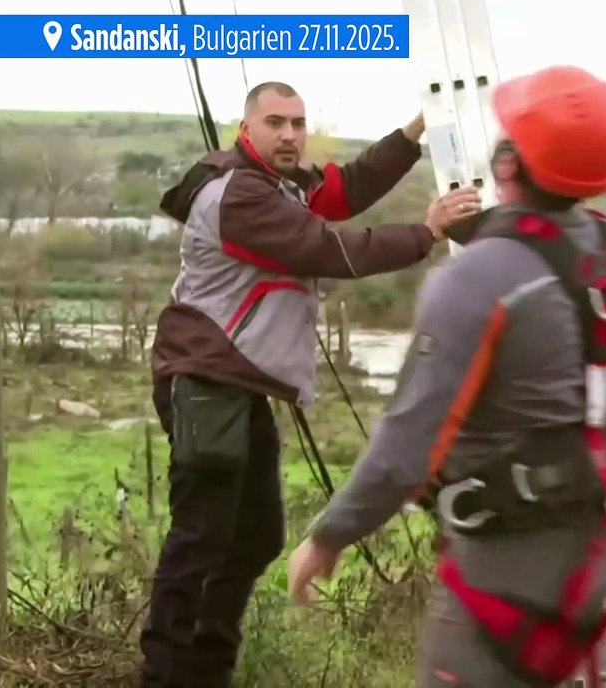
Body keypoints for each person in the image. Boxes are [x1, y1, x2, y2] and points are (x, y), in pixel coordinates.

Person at [286, 65, 606, 687]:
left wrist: (330, 536)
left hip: (506, 566)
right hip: (595, 552)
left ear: (508, 165)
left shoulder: (480, 277)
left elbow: (409, 443)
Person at [141, 80, 480, 688]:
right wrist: (426, 232)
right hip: (204, 379)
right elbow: (327, 250)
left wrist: (412, 134)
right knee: (201, 538)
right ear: (248, 128)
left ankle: (206, 669)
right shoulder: (239, 194)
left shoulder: (278, 184)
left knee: (255, 535)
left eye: (298, 122)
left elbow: (344, 191)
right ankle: (167, 675)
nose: (291, 134)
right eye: (276, 123)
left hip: (236, 385)